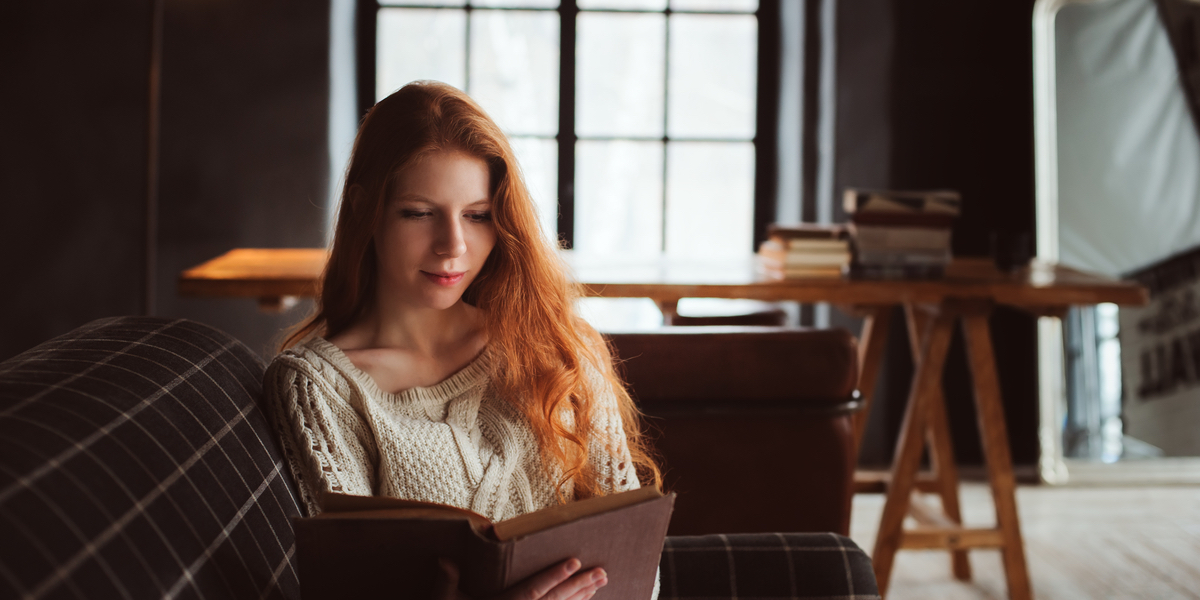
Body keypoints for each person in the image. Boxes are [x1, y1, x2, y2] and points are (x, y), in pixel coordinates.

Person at [262, 81, 661, 600]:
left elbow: (637, 567)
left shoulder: (558, 348)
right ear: (365, 211)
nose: (453, 245)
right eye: (420, 213)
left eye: (476, 215)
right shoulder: (316, 389)